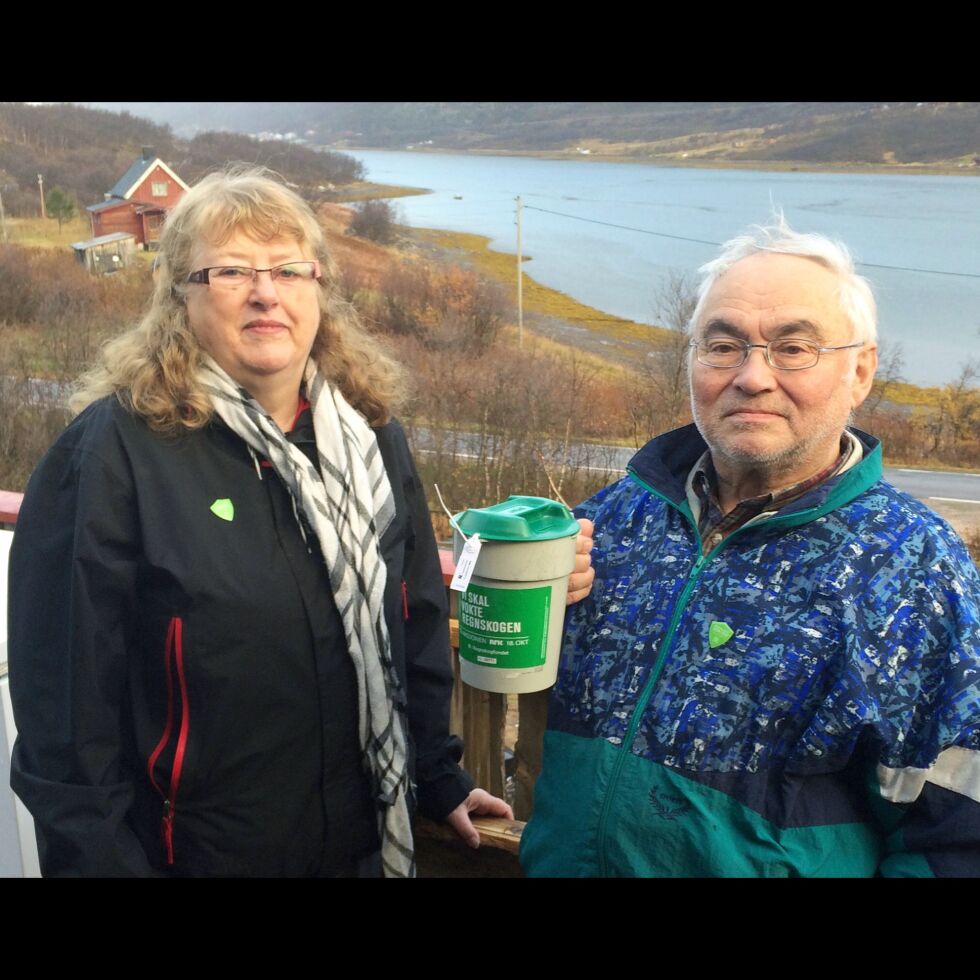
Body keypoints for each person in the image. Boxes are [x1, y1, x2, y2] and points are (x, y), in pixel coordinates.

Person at [8, 166, 520, 877]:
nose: (265, 292)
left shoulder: (371, 438)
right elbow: (65, 727)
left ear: (320, 289)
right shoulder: (112, 456)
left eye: (288, 268)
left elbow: (415, 620)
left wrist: (437, 774)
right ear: (179, 296)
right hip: (192, 859)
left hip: (360, 850)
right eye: (229, 271)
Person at [521, 217, 980, 877]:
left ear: (861, 372)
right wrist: (519, 595)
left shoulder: (913, 570)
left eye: (794, 348)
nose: (752, 376)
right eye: (723, 345)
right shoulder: (612, 522)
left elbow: (958, 837)